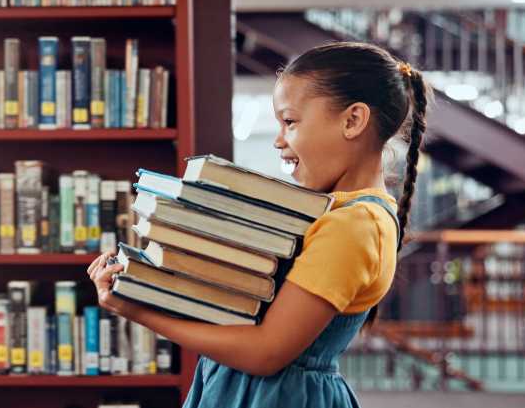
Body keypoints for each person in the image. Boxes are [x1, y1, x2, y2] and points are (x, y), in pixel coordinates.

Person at [88, 41, 430, 407]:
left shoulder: (356, 225)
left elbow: (267, 352)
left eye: (290, 122)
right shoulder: (336, 213)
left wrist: (137, 310)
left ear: (353, 120)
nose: (279, 141)